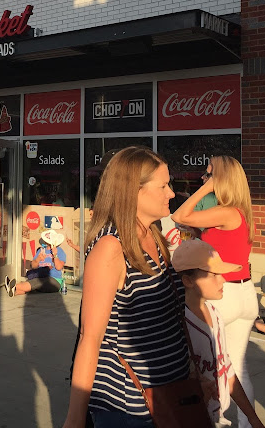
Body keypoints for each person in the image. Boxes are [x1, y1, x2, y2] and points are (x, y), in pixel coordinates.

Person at [63, 146, 190, 428]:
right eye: (164, 185)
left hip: (172, 395)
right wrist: (74, 419)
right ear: (134, 191)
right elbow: (89, 338)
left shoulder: (154, 235)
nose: (172, 193)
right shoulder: (111, 247)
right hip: (129, 407)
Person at [171, 155, 257, 428]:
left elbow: (178, 215)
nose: (203, 178)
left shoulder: (227, 211)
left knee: (212, 367)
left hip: (224, 293)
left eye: (209, 174)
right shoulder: (242, 213)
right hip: (244, 294)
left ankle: (215, 419)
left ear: (223, 180)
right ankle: (247, 423)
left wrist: (207, 189)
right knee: (237, 368)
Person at [172, 239, 265, 428]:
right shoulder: (178, 326)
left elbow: (227, 369)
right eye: (213, 274)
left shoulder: (215, 313)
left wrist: (252, 417)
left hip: (217, 416)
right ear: (188, 280)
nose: (223, 279)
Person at [4, 229, 66, 297]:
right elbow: (33, 266)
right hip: (40, 275)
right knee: (34, 282)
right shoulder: (41, 250)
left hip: (54, 280)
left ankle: (13, 286)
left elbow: (59, 267)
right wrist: (38, 259)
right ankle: (14, 292)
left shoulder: (60, 251)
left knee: (38, 282)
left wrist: (55, 255)